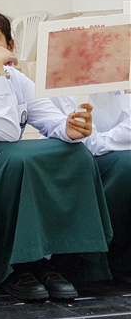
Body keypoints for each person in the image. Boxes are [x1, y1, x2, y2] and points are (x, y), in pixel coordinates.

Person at [0, 10, 110, 301]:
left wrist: (70, 128)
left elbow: (50, 119)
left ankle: (62, 262)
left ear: (10, 45)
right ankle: (14, 268)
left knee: (74, 153)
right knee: (17, 159)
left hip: (3, 167)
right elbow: (2, 132)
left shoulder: (16, 78)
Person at [53, 90, 130, 282]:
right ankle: (89, 260)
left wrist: (127, 95)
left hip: (112, 159)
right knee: (127, 164)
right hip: (73, 159)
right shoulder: (68, 85)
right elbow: (86, 142)